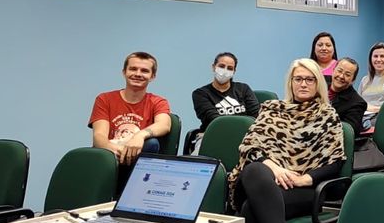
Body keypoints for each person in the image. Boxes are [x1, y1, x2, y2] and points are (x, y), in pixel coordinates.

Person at [228, 59, 345, 223]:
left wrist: (305, 178)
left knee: (252, 209)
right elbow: (251, 146)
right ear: (290, 83)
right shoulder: (271, 109)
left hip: (303, 189)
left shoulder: (327, 114)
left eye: (309, 79)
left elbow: (335, 161)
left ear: (318, 83)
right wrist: (276, 168)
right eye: (298, 79)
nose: (303, 84)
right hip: (268, 180)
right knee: (256, 168)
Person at [89, 52, 172, 184]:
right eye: (133, 69)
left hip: (138, 162)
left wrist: (139, 136)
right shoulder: (104, 99)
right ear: (124, 72)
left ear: (152, 76)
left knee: (151, 144)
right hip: (110, 157)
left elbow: (164, 125)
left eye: (144, 71)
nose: (138, 74)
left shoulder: (158, 101)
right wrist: (122, 152)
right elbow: (99, 136)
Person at [191, 51, 260, 139]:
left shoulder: (243, 89)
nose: (225, 71)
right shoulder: (200, 94)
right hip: (213, 136)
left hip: (245, 136)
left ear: (234, 71)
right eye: (221, 66)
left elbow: (255, 116)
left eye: (230, 68)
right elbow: (213, 119)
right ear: (213, 67)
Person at [328, 56, 368, 133]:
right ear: (333, 71)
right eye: (339, 71)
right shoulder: (318, 84)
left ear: (353, 80)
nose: (341, 76)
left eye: (347, 74)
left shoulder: (357, 103)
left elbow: (349, 132)